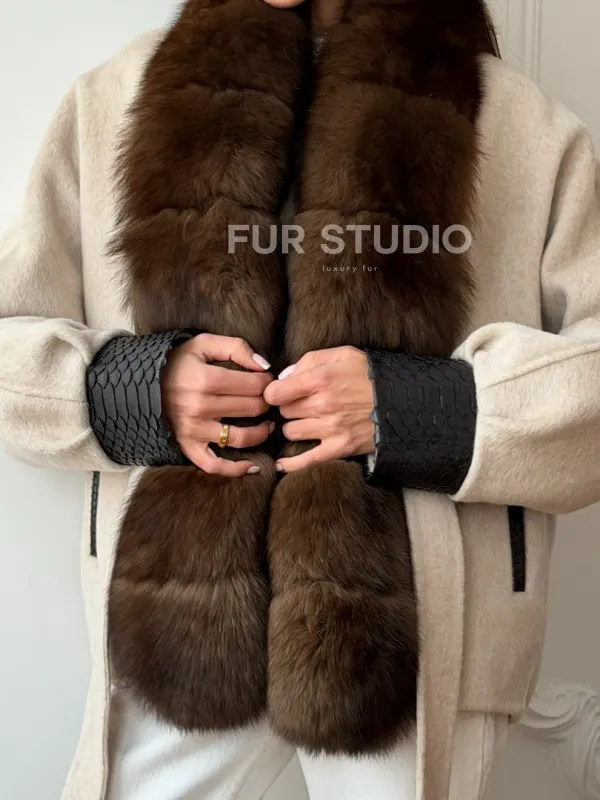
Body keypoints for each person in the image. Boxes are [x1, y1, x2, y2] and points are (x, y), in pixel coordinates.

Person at [2, 0, 600, 797]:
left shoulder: (517, 124)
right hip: (174, 627)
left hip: (413, 640)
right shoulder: (117, 98)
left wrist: (414, 408)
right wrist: (141, 388)